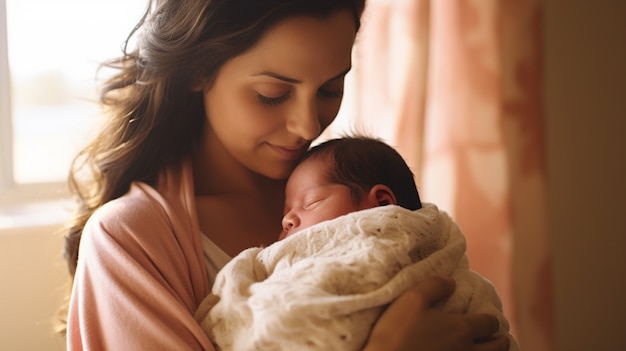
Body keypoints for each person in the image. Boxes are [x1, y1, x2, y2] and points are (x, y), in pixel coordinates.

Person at [60, 0, 511, 350]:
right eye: (272, 94)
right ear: (196, 71)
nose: (309, 127)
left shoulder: (350, 195)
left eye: (331, 89)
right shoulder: (131, 241)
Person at [195, 136, 519, 351]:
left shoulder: (377, 243)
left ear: (379, 205)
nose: (287, 221)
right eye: (286, 211)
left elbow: (284, 322)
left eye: (309, 203)